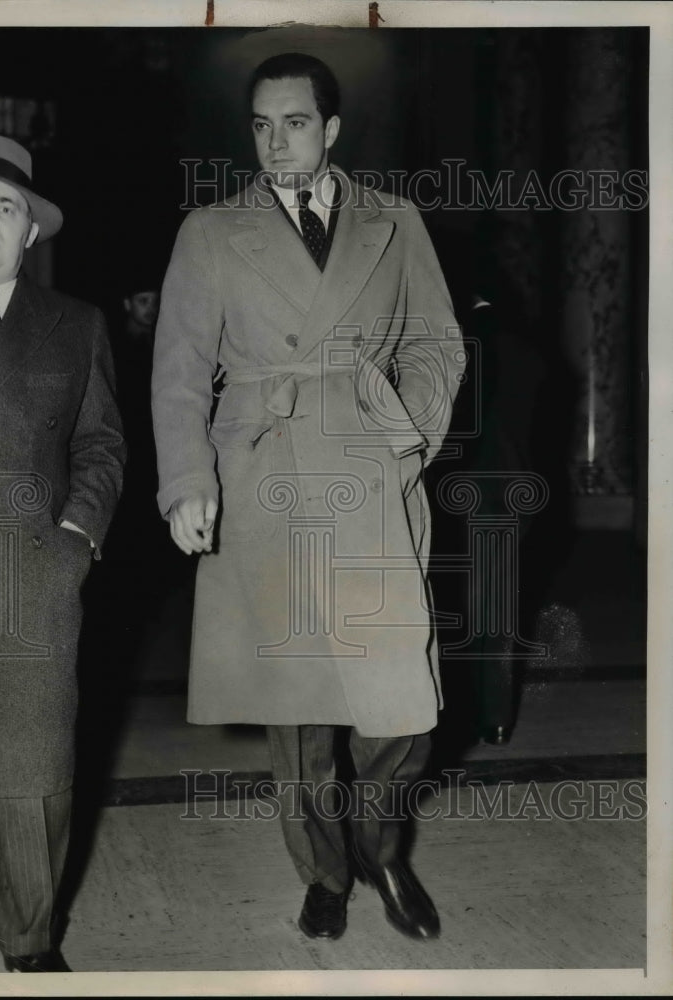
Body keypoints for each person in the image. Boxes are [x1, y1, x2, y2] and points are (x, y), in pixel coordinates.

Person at [152, 53, 463, 941]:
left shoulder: (395, 222)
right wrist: (186, 480)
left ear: (330, 130)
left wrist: (408, 439)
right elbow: (177, 373)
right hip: (266, 477)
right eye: (260, 123)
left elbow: (438, 343)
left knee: (401, 706)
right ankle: (324, 873)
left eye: (294, 122)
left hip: (369, 471)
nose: (274, 140)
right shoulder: (211, 231)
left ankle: (380, 844)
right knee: (297, 718)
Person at [0, 134, 125, 971]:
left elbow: (101, 445)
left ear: (30, 235)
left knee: (35, 773)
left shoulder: (76, 326)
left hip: (34, 577)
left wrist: (75, 537)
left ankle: (30, 944)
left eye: (6, 209)